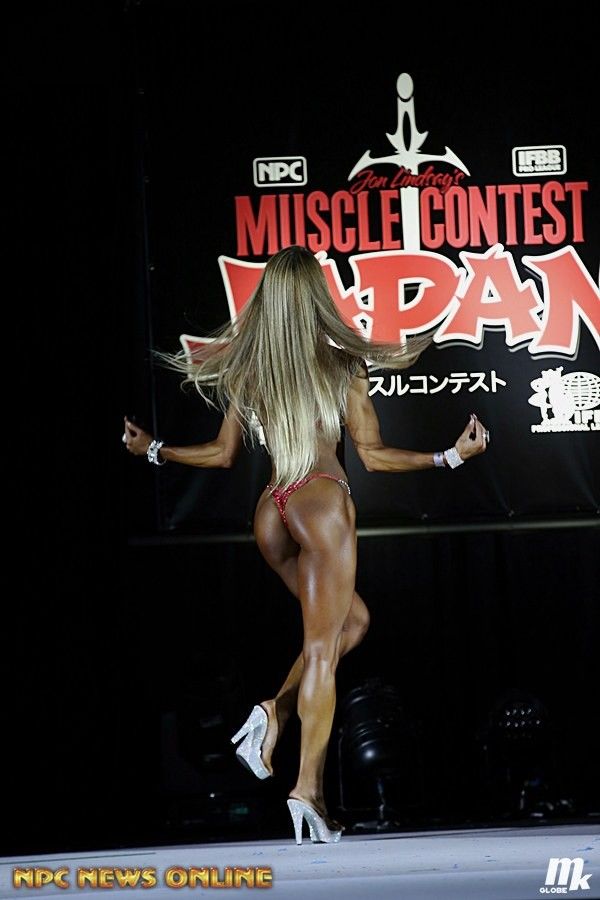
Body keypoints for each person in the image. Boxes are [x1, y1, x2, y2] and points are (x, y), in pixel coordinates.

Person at [123, 244, 489, 845]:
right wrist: (450, 456)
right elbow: (373, 456)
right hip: (320, 501)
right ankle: (307, 791)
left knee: (353, 623)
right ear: (316, 297)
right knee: (322, 651)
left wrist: (154, 451)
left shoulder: (250, 367)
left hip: (273, 509)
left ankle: (274, 712)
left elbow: (222, 454)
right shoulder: (341, 361)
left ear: (268, 301)